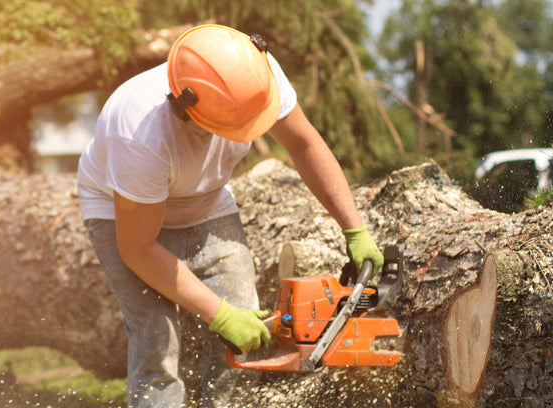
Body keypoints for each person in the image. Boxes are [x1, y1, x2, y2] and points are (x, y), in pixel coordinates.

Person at [77, 24, 386, 407]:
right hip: (121, 211)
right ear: (186, 108)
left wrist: (354, 229)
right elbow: (138, 248)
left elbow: (304, 144)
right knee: (157, 340)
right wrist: (218, 315)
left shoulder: (256, 74)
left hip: (206, 201)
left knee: (244, 331)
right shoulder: (139, 131)